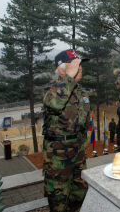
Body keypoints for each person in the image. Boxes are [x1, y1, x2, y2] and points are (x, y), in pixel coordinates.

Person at [42, 49, 90, 212]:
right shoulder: (52, 89)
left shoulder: (81, 91)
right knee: (59, 200)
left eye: (80, 63)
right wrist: (69, 76)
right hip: (58, 158)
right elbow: (54, 103)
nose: (80, 67)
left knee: (79, 195)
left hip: (78, 154)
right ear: (62, 68)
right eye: (75, 64)